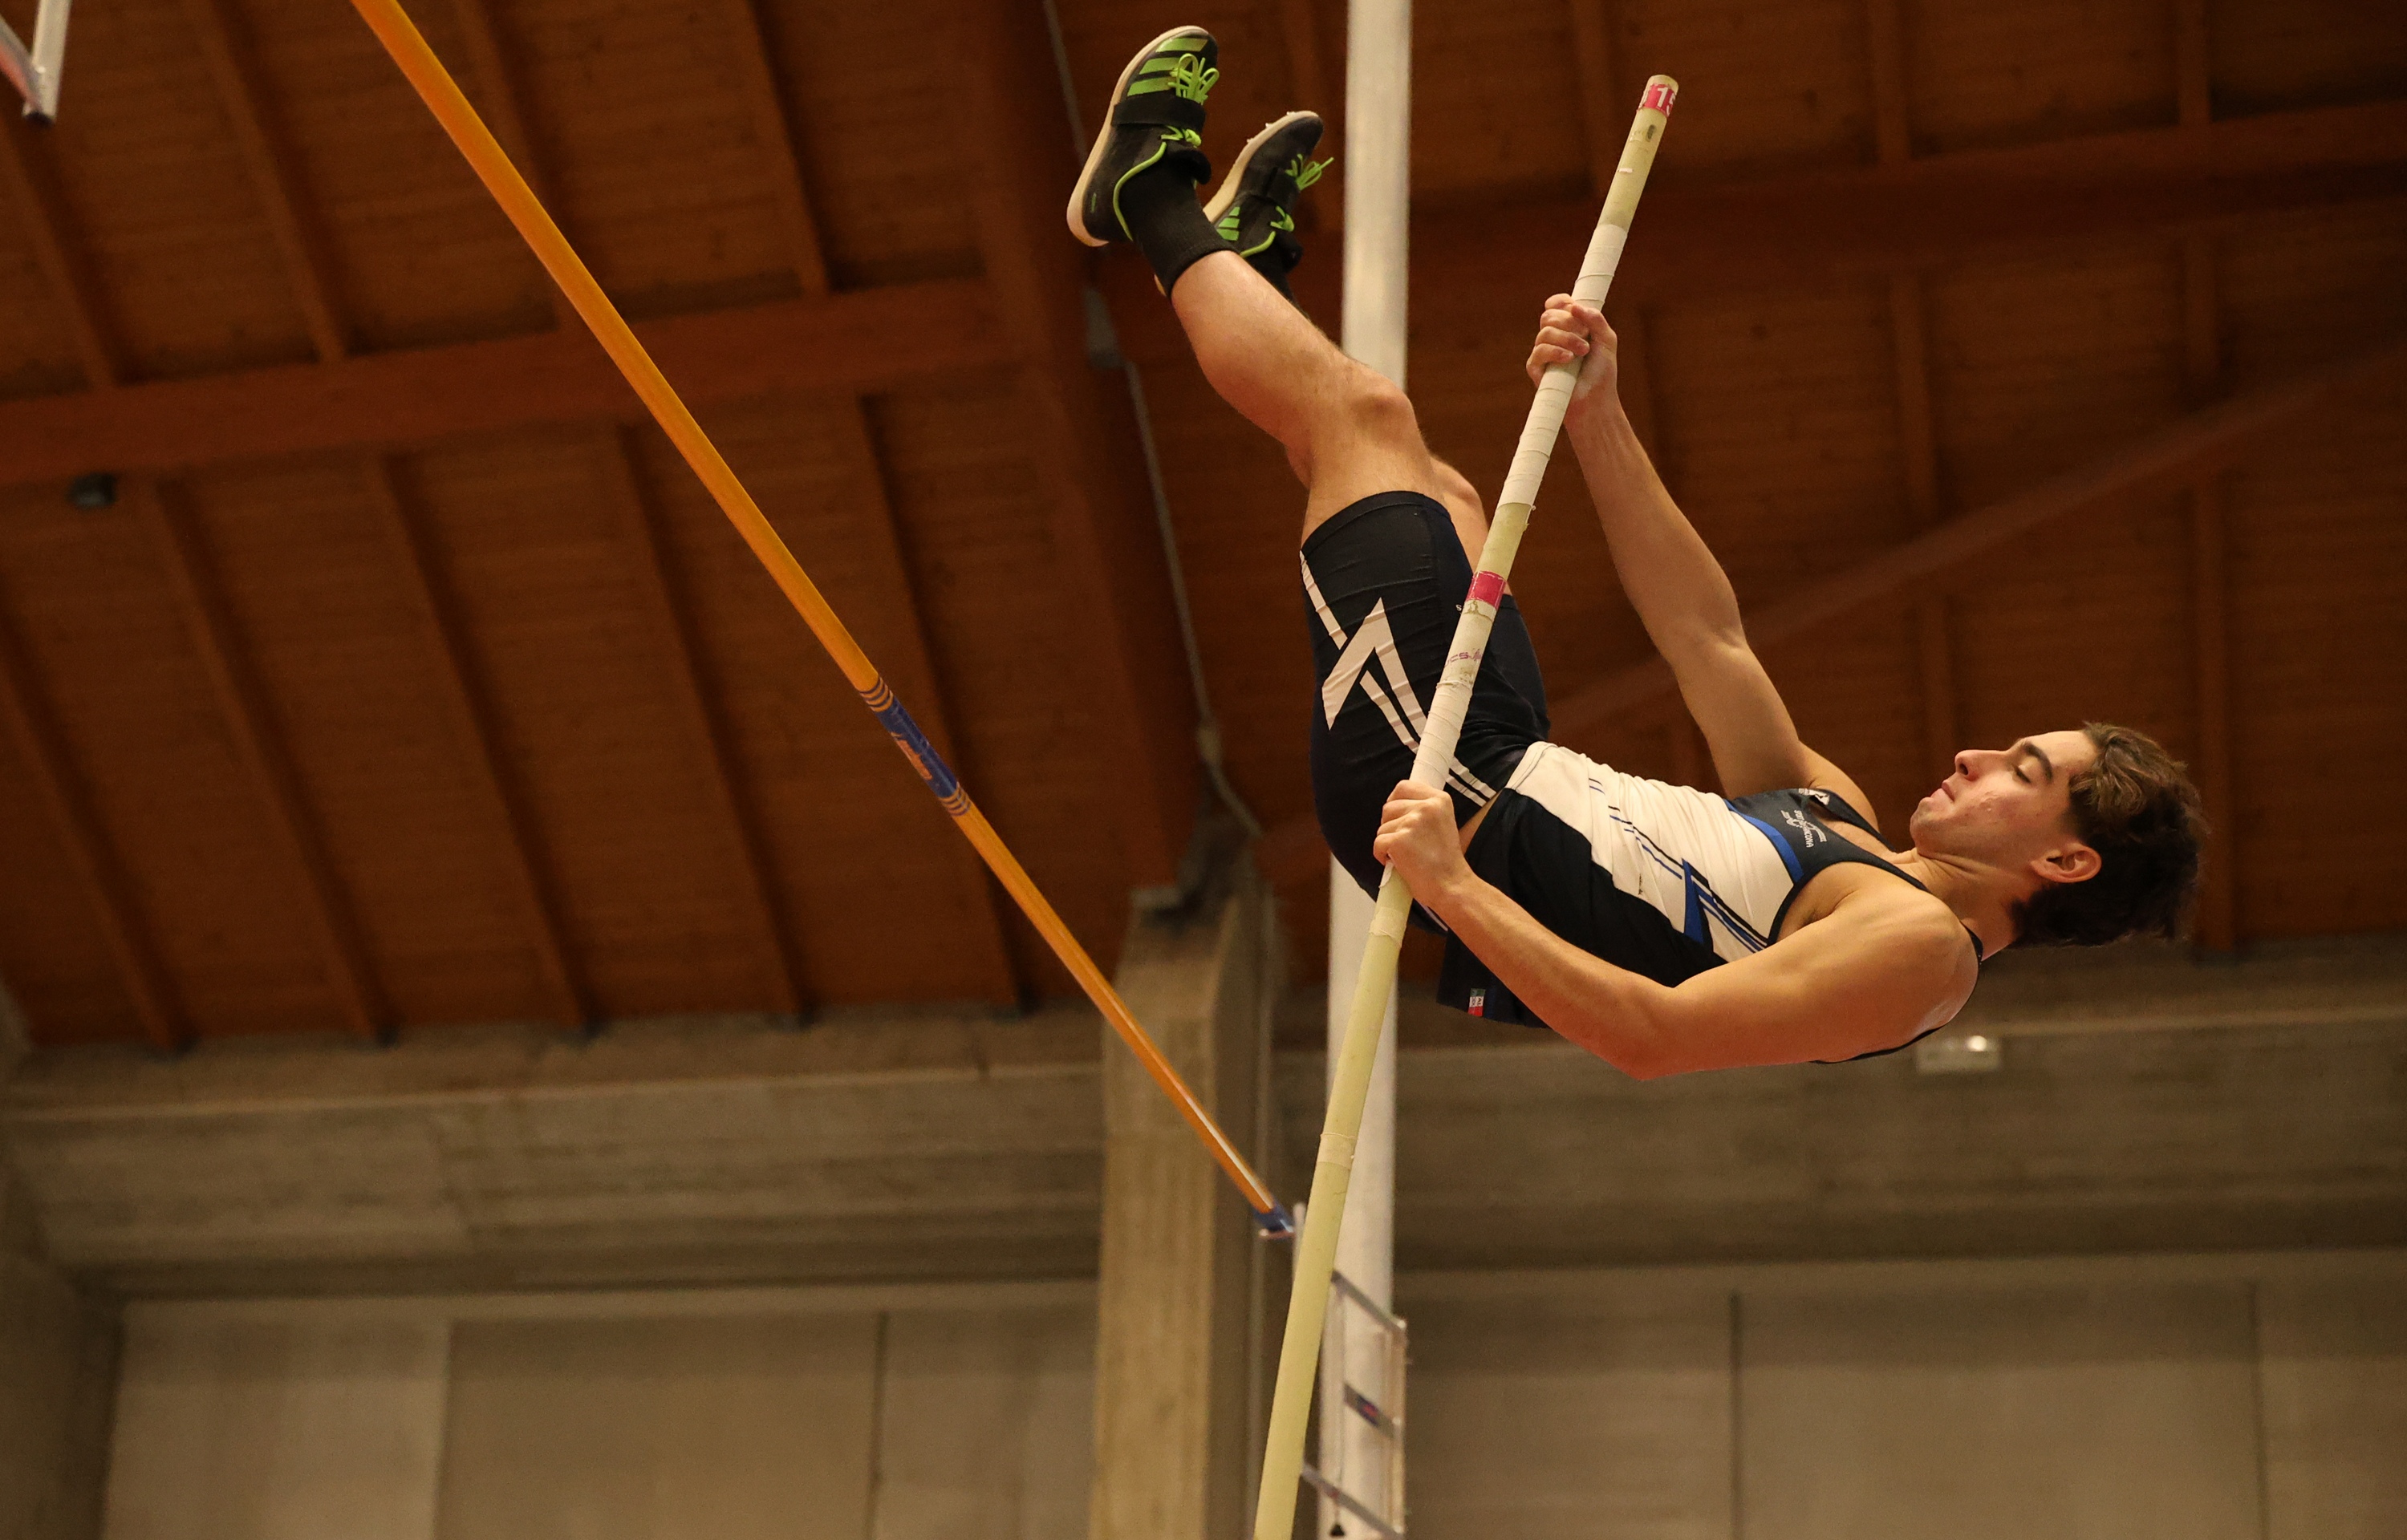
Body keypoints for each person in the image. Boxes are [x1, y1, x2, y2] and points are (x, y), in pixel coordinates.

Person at [1069, 27, 2207, 1077]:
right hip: (1501, 754)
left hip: (1446, 794)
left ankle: (1146, 194)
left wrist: (1452, 889)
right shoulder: (1839, 821)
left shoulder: (1922, 956)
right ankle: (1239, 274)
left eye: (2023, 770)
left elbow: (1655, 1039)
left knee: (1362, 422)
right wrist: (1599, 416)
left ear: (2066, 862)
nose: (1974, 755)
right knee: (1436, 489)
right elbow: (1706, 635)